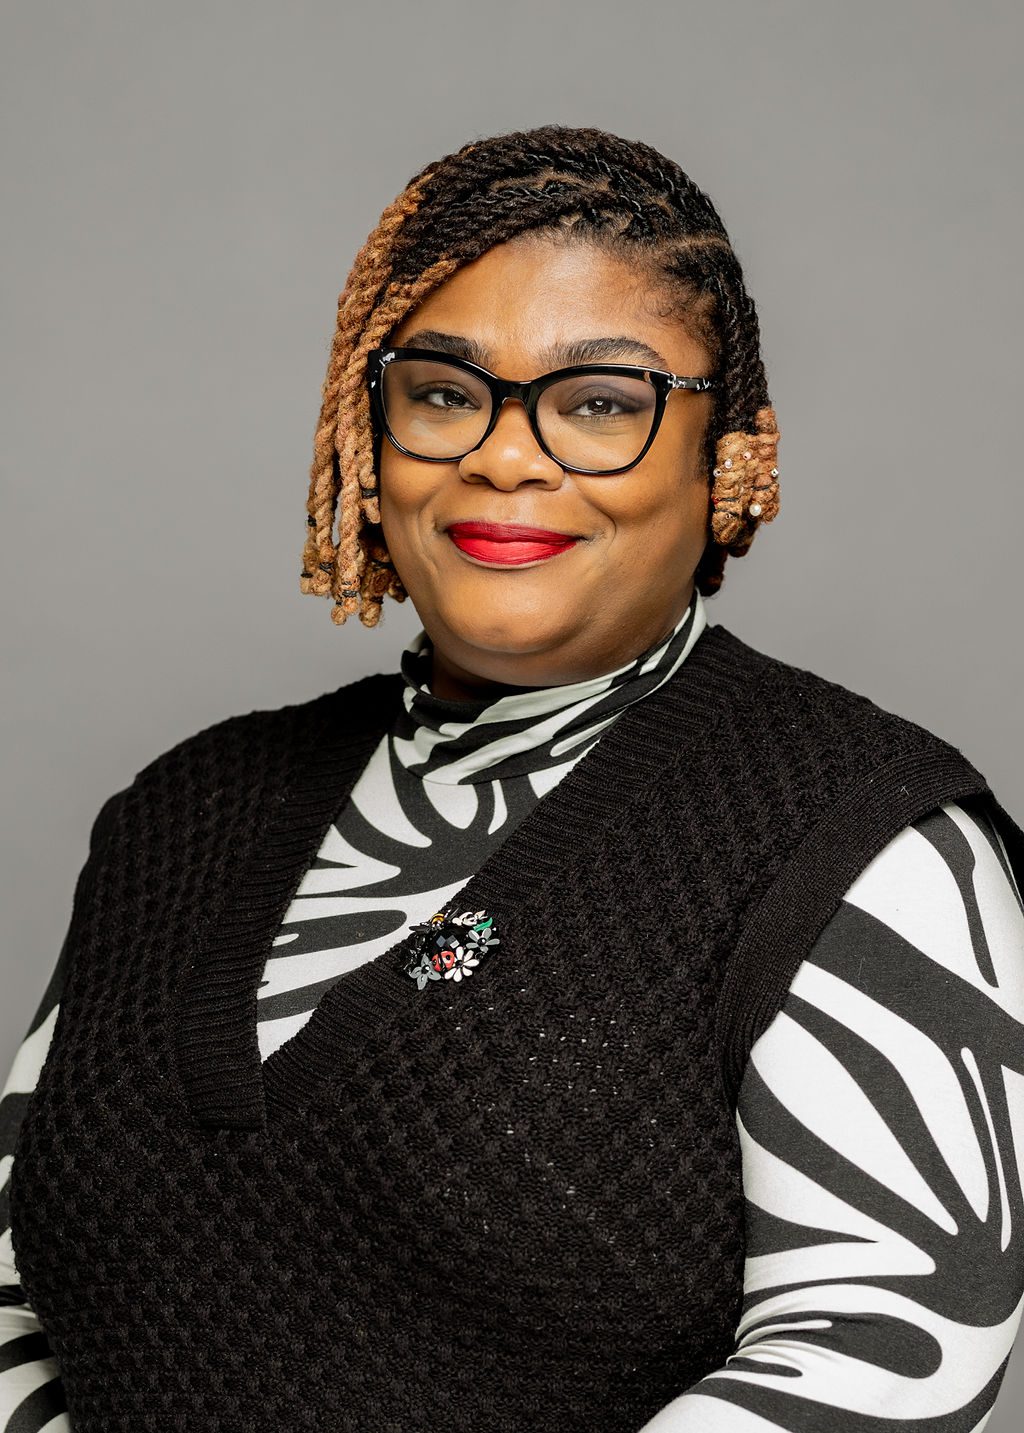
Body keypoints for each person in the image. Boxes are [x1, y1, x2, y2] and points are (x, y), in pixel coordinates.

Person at [2, 123, 1023, 1432]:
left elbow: (881, 1360)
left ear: (730, 459)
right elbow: (19, 1299)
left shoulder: (859, 838)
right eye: (443, 390)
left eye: (601, 401)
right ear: (369, 437)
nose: (503, 454)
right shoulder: (180, 815)